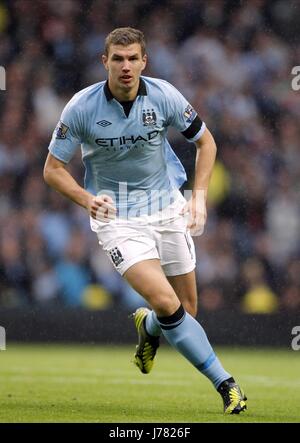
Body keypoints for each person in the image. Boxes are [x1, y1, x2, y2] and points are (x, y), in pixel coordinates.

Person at [44, 27, 247, 414]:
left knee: (185, 308)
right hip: (117, 218)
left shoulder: (164, 95)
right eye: (117, 59)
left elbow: (206, 142)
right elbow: (52, 169)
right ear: (104, 62)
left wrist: (198, 198)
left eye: (132, 58)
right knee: (166, 301)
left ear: (143, 61)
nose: (125, 66)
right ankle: (227, 385)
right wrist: (87, 200)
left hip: (167, 207)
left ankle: (148, 328)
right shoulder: (81, 108)